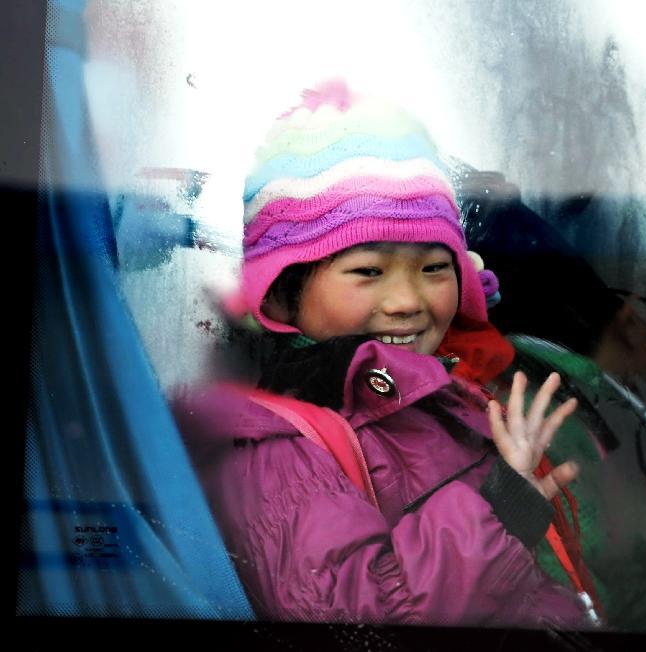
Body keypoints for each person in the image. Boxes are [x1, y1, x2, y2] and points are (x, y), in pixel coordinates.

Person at [171, 81, 596, 628]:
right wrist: (503, 512)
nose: (406, 302)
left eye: (434, 268)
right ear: (281, 292)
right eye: (368, 271)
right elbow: (363, 622)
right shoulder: (277, 450)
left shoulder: (446, 389)